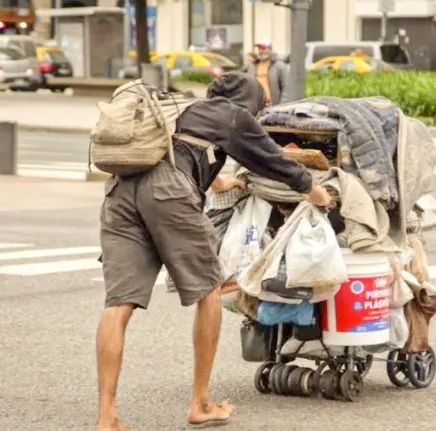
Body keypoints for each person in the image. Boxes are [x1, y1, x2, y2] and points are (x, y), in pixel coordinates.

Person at [94, 72, 332, 431]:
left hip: (120, 192)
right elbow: (275, 162)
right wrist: (317, 193)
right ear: (250, 101)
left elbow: (179, 150)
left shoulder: (185, 108)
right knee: (209, 291)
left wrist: (220, 181)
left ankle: (106, 416)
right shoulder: (235, 116)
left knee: (119, 304)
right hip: (168, 193)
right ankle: (201, 402)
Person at [245, 38, 289, 106]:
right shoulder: (252, 66)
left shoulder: (279, 66)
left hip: (273, 106)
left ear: (270, 50)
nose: (261, 51)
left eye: (263, 48)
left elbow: (286, 87)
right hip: (256, 106)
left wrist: (282, 105)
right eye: (259, 48)